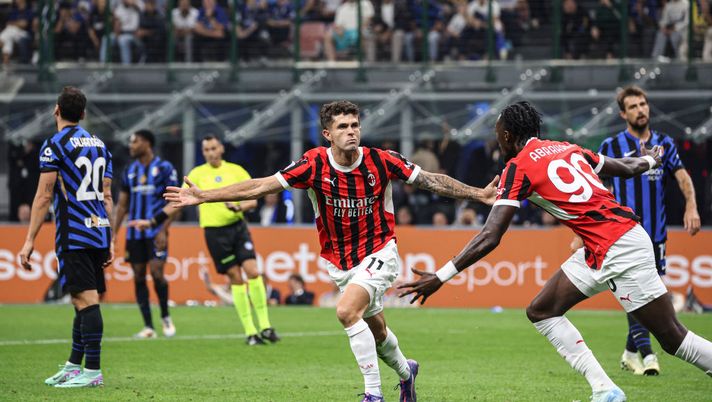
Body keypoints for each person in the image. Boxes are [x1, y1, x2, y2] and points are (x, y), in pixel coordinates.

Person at [164, 100, 498, 401]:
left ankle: (372, 394)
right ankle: (407, 373)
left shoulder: (381, 161)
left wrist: (479, 194)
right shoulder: (312, 165)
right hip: (340, 261)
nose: (351, 132)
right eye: (343, 126)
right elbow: (260, 185)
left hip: (381, 249)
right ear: (328, 134)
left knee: (345, 311)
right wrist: (204, 196)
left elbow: (431, 180)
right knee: (377, 331)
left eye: (355, 125)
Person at [399, 101, 712, 402]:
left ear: (507, 135)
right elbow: (625, 168)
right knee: (542, 310)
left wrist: (441, 276)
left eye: (498, 134)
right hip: (609, 243)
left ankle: (607, 389)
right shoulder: (568, 147)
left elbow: (491, 235)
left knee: (673, 338)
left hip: (618, 247)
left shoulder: (517, 167)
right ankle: (605, 390)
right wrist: (652, 160)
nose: (498, 139)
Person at [132, 135, 280, 346]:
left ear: (221, 149)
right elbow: (179, 202)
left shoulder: (236, 171)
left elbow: (253, 200)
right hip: (214, 233)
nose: (210, 152)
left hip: (238, 228)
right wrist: (156, 222)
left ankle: (265, 326)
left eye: (213, 148)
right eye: (206, 150)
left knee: (253, 272)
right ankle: (251, 332)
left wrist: (238, 207)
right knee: (236, 278)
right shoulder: (197, 174)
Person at [598, 85, 701, 376]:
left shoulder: (664, 143)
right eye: (633, 106)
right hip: (623, 235)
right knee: (638, 294)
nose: (640, 109)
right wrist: (583, 230)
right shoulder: (611, 146)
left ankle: (632, 352)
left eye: (643, 104)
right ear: (623, 114)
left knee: (649, 296)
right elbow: (595, 188)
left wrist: (691, 206)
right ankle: (647, 353)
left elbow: (682, 178)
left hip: (655, 237)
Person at [19, 86, 113, 387]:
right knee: (80, 298)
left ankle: (92, 371)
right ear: (83, 114)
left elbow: (44, 196)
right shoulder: (100, 145)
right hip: (98, 229)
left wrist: (30, 239)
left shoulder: (55, 145)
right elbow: (107, 196)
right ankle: (75, 365)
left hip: (75, 231)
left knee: (85, 299)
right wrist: (108, 237)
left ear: (56, 110)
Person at [113, 129, 178, 339]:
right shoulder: (129, 170)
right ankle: (148, 326)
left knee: (158, 274)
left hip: (156, 231)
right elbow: (122, 205)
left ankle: (165, 316)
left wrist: (163, 230)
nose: (131, 145)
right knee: (139, 275)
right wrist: (113, 233)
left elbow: (175, 201)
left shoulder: (165, 168)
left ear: (147, 143)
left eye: (135, 142)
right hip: (134, 234)